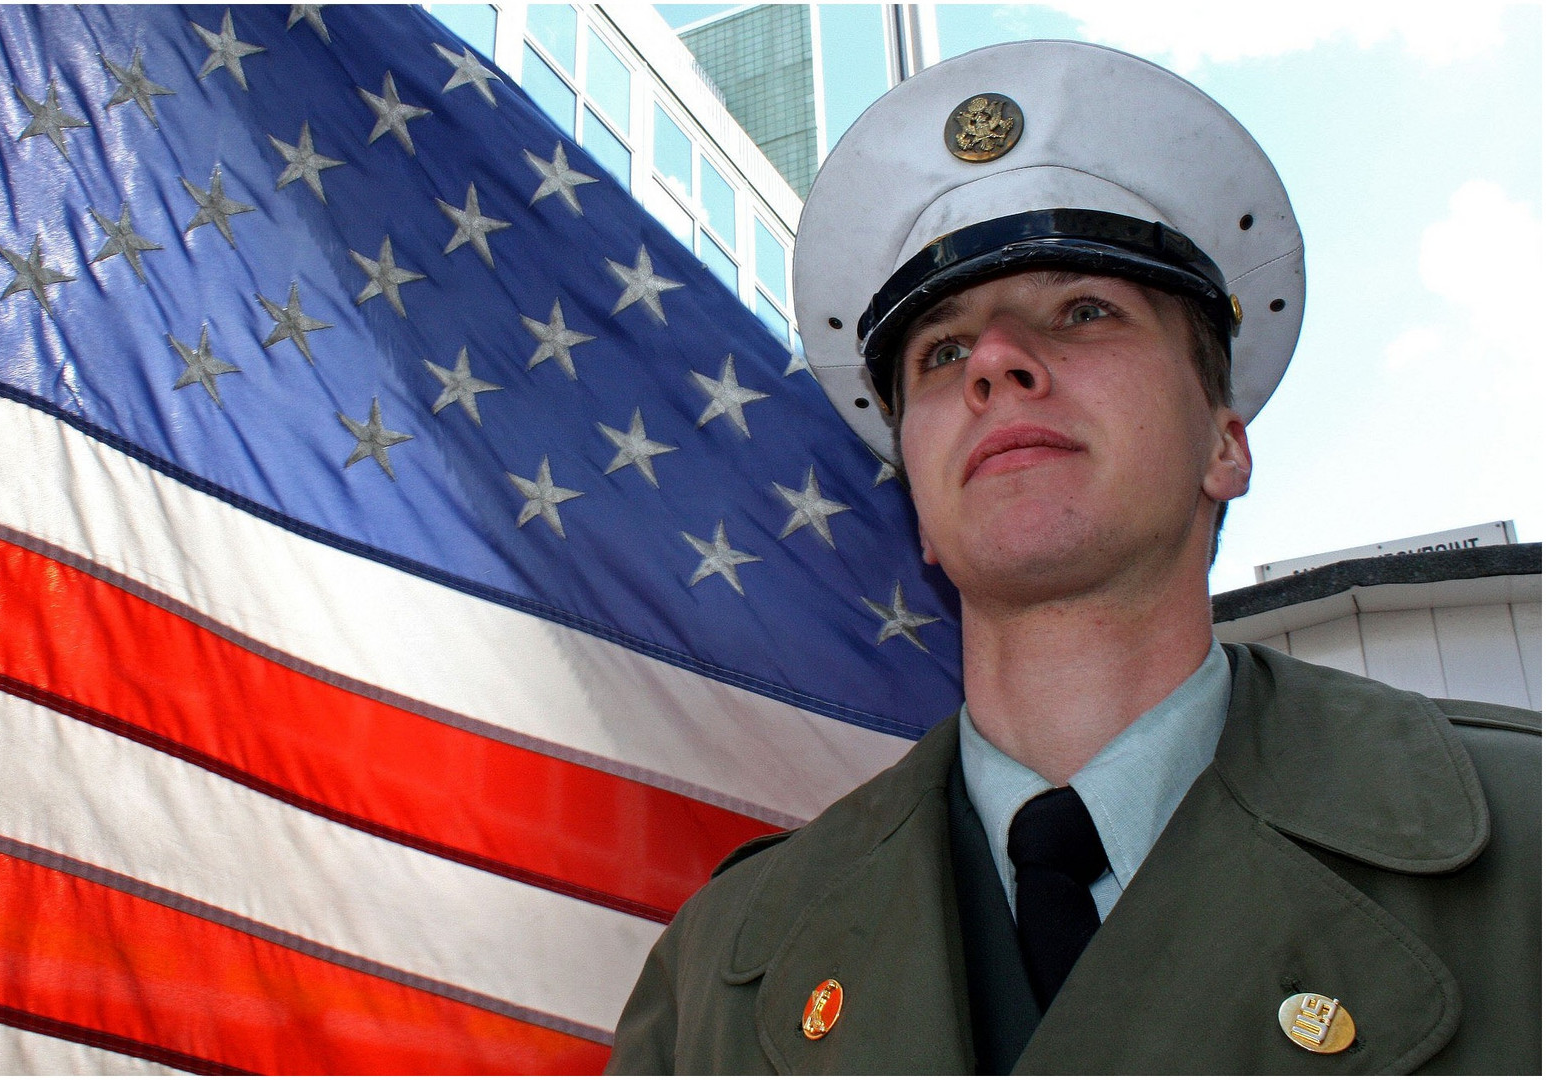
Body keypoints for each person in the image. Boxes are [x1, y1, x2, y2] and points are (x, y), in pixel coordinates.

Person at [606, 40, 1540, 1074]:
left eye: (1082, 311)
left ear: (1222, 443)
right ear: (917, 504)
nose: (996, 361)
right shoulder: (717, 972)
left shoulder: (1521, 842)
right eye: (942, 353)